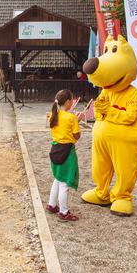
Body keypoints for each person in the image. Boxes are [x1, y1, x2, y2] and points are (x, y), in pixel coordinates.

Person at [46, 89, 84, 222]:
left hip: (55, 149)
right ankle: (63, 212)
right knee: (64, 184)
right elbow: (76, 136)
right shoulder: (71, 117)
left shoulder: (52, 114)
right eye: (72, 101)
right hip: (67, 152)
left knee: (58, 179)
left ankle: (51, 205)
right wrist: (77, 121)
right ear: (68, 102)